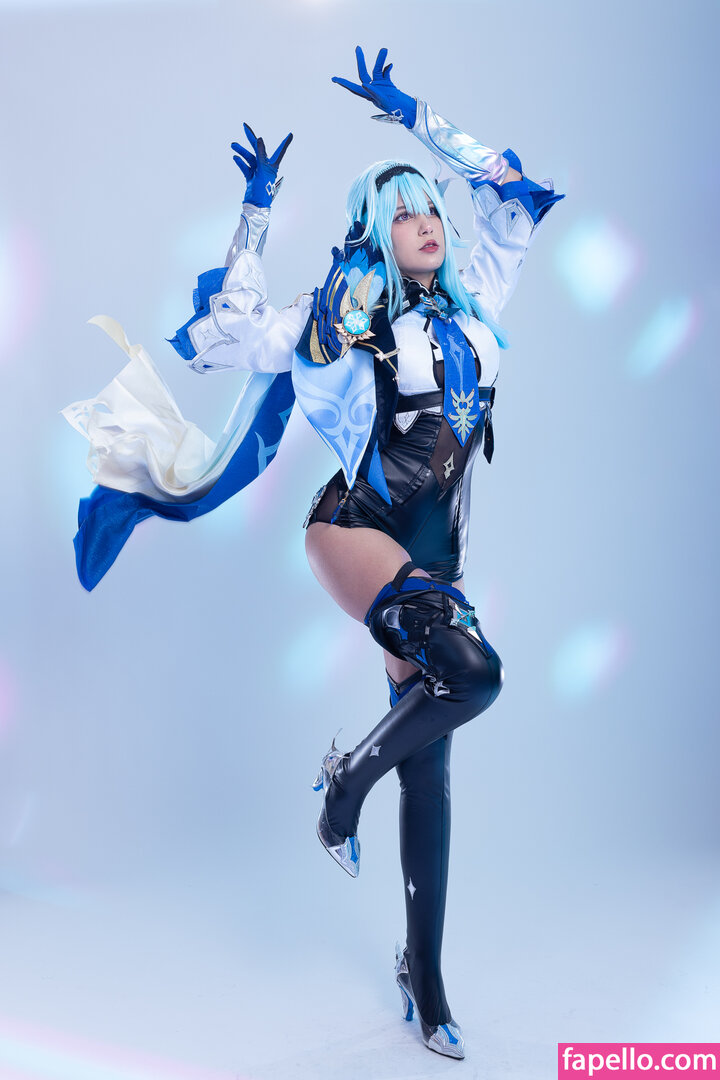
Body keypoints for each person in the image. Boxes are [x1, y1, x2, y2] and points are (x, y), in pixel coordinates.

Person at [63, 46, 564, 1061]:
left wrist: (416, 117)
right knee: (475, 673)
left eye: (431, 208)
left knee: (431, 765)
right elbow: (234, 329)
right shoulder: (338, 317)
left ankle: (424, 980)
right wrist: (254, 213)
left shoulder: (480, 303)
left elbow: (507, 187)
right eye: (404, 212)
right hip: (355, 530)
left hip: (437, 557)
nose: (427, 223)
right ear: (376, 229)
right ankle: (341, 792)